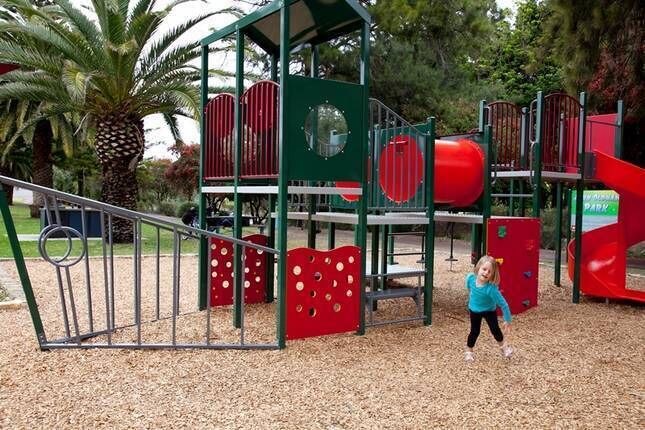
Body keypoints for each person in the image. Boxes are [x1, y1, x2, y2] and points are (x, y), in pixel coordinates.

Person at [464, 255, 513, 362]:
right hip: (475, 310)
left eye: (489, 271)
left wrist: (507, 320)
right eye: (484, 269)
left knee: (495, 330)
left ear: (492, 275)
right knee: (474, 331)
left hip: (489, 311)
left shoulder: (491, 289)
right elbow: (469, 288)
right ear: (478, 268)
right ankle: (469, 351)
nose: (486, 273)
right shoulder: (470, 279)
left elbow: (503, 304)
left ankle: (504, 348)